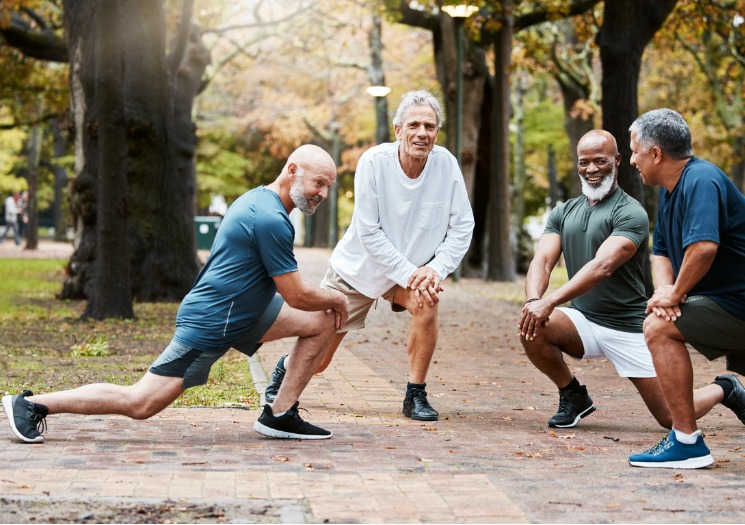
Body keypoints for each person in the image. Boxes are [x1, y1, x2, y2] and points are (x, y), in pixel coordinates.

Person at [2, 144, 350, 443]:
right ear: (292, 171)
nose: (322, 192)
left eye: (327, 187)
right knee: (142, 402)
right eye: (318, 182)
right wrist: (336, 297)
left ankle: (279, 413)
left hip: (246, 311)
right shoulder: (270, 218)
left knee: (321, 321)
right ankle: (31, 404)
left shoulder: (262, 200)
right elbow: (297, 296)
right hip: (213, 320)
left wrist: (329, 305)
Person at [264, 90, 475, 421]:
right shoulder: (374, 162)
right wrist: (412, 273)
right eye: (414, 124)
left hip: (410, 274)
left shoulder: (446, 165)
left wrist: (434, 271)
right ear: (398, 130)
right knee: (319, 362)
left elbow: (462, 226)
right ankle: (285, 368)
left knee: (428, 301)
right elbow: (369, 231)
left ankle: (414, 394)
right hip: (358, 270)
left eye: (430, 126)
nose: (422, 133)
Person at [518, 129, 745, 436]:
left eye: (600, 160)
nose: (592, 168)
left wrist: (550, 301)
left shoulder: (631, 212)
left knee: (669, 416)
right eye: (584, 162)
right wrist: (535, 301)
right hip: (583, 321)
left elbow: (603, 265)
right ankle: (573, 394)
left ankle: (725, 388)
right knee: (531, 325)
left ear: (618, 160)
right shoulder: (564, 211)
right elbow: (542, 261)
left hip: (628, 326)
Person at [627, 109, 745, 469]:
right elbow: (660, 250)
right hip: (727, 303)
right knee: (661, 319)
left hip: (737, 304)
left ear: (656, 154)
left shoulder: (701, 180)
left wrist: (675, 295)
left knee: (658, 328)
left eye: (635, 151)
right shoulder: (671, 190)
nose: (632, 160)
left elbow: (703, 247)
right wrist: (665, 294)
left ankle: (686, 441)